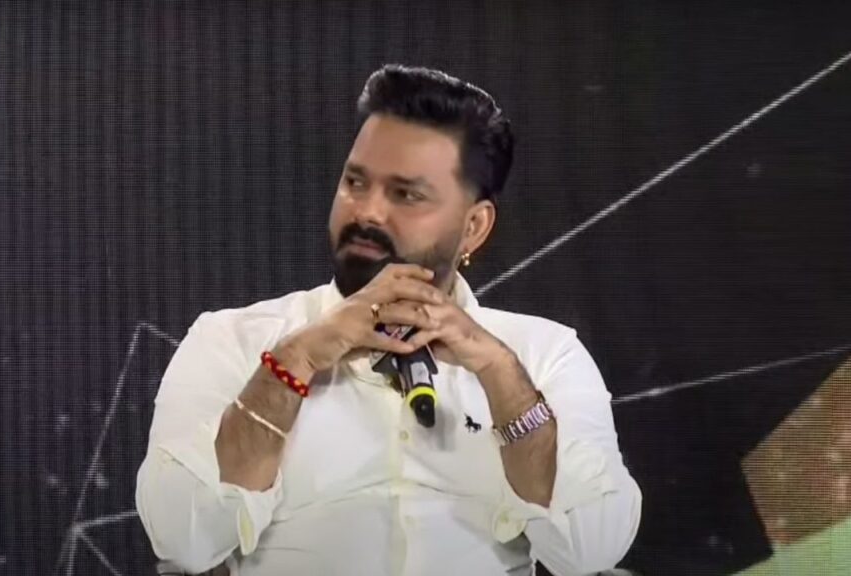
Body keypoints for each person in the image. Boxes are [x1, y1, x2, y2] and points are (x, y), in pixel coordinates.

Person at [136, 64, 641, 576]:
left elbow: (591, 547)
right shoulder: (233, 340)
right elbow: (183, 539)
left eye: (406, 194)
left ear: (473, 226)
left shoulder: (543, 354)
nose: (367, 211)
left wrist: (499, 375)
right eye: (355, 182)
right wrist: (294, 362)